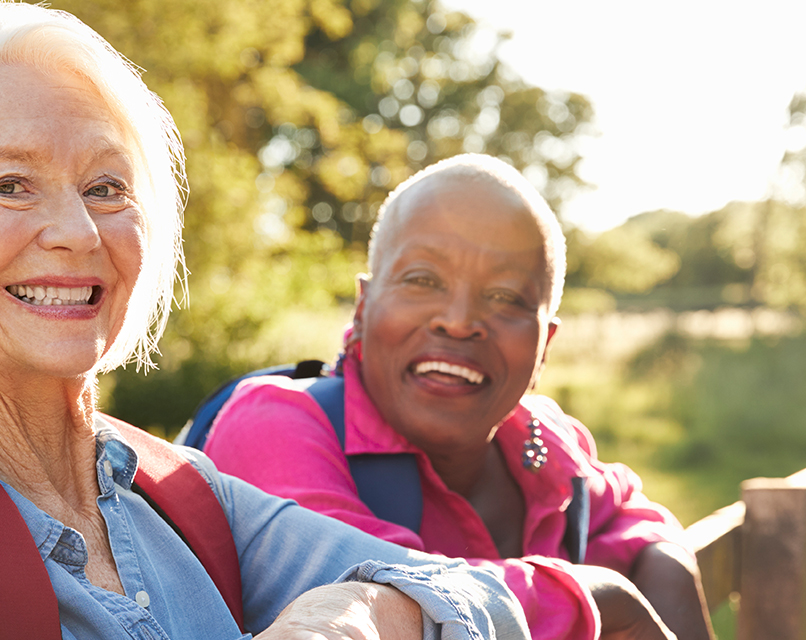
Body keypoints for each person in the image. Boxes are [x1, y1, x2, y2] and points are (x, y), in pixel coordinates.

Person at [0, 6, 535, 639]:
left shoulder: (186, 501)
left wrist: (352, 615)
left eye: (106, 188)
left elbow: (482, 598)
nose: (79, 233)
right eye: (9, 185)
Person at [204, 154, 714, 640]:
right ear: (362, 309)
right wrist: (601, 598)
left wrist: (667, 560)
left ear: (544, 348)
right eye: (422, 280)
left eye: (505, 297)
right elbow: (390, 604)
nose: (460, 320)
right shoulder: (276, 425)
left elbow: (628, 514)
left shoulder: (543, 442)